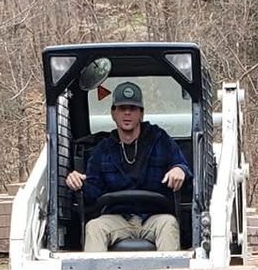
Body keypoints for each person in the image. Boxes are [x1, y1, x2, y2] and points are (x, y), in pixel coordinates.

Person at [64, 81, 190, 252]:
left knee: (169, 224)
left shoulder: (160, 140)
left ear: (141, 114)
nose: (127, 113)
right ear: (113, 113)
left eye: (133, 108)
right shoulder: (103, 150)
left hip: (154, 217)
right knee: (94, 227)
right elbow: (91, 193)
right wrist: (76, 182)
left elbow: (184, 169)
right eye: (122, 108)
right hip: (117, 218)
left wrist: (179, 169)